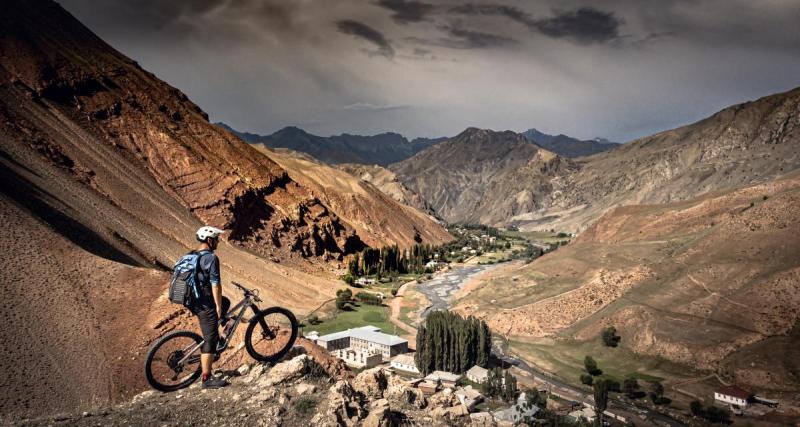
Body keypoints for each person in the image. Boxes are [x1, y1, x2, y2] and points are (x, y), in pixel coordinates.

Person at [192, 225, 230, 389]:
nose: (218, 243)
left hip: (192, 299)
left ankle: (217, 333)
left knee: (226, 301)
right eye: (216, 239)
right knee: (210, 338)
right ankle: (206, 379)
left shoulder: (192, 255)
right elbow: (216, 285)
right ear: (209, 240)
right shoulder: (211, 258)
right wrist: (218, 307)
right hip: (203, 301)